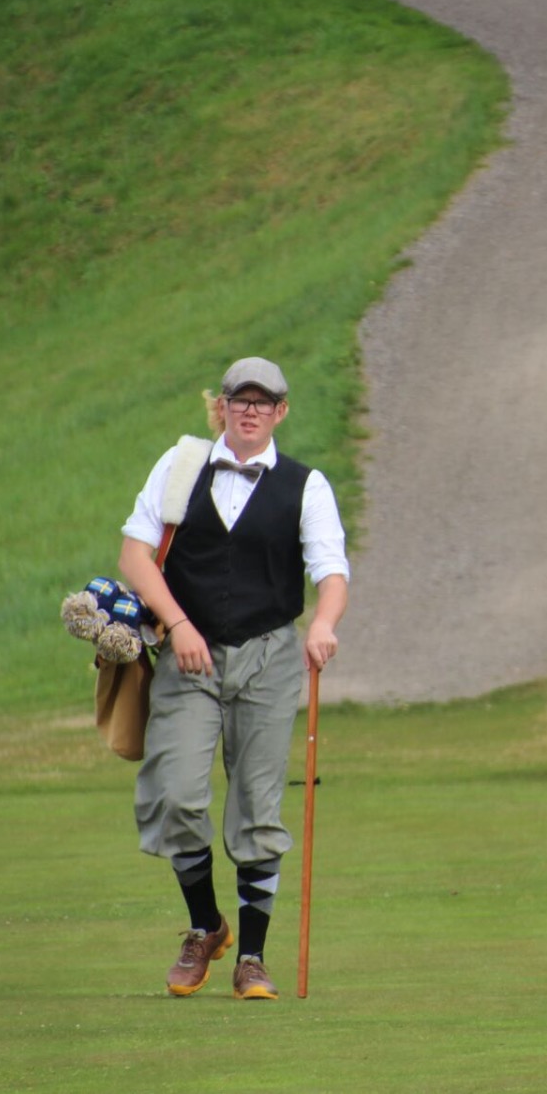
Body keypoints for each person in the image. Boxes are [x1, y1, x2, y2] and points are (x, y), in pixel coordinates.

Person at [117, 357, 350, 1000]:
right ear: (220, 407)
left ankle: (251, 957)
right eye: (239, 399)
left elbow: (331, 571)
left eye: (263, 401)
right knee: (174, 794)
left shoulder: (306, 485)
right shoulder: (180, 466)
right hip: (188, 654)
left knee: (256, 806)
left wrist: (323, 622)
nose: (250, 410)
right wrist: (177, 624)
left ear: (280, 412)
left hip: (269, 658)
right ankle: (205, 927)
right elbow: (135, 555)